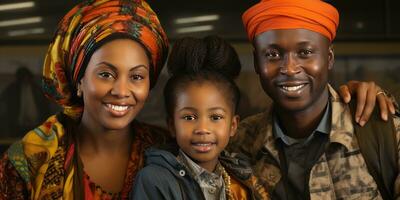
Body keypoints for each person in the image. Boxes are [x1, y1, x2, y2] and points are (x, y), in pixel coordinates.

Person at [228, 0, 400, 199]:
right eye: (273, 54)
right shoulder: (238, 142)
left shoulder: (384, 131)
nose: (290, 68)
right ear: (257, 62)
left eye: (305, 53)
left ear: (329, 58)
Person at [0, 0, 168, 199]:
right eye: (106, 74)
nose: (121, 91)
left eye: (137, 77)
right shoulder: (28, 160)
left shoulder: (167, 151)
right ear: (79, 80)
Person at [131, 36, 268, 200]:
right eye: (189, 117)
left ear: (233, 125)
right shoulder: (154, 180)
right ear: (172, 125)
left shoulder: (241, 180)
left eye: (215, 117)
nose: (203, 128)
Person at [0, 66, 52, 137]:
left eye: (27, 77)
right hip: (19, 126)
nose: (26, 79)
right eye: (24, 77)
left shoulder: (37, 90)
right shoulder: (13, 90)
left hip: (35, 125)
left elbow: (44, 107)